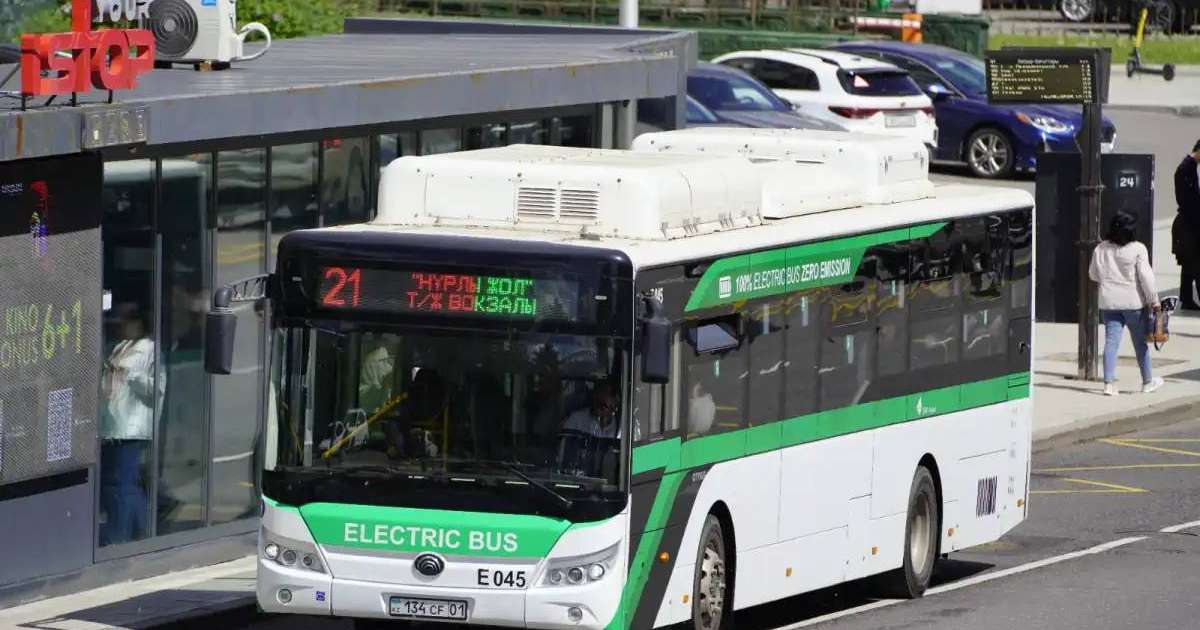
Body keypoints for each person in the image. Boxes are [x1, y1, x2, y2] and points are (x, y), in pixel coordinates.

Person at [99, 304, 162, 545]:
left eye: (127, 320)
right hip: (112, 425)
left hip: (131, 427)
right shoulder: (119, 347)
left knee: (122, 484)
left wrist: (131, 375)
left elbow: (156, 388)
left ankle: (121, 534)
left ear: (139, 323)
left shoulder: (150, 350)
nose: (122, 325)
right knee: (121, 483)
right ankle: (142, 530)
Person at [1089, 212, 1164, 396]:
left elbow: (1093, 274)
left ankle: (1108, 383)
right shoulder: (1138, 249)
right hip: (1133, 304)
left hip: (1109, 303)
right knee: (1140, 344)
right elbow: (1146, 278)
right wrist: (1154, 301)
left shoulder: (1100, 249)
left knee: (1111, 342)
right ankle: (1147, 381)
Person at [1174, 139, 1200, 310]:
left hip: (1188, 223)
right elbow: (1187, 200)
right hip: (1188, 225)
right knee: (1196, 263)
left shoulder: (1190, 167)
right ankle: (1187, 299)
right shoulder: (1186, 169)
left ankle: (1187, 299)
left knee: (1189, 263)